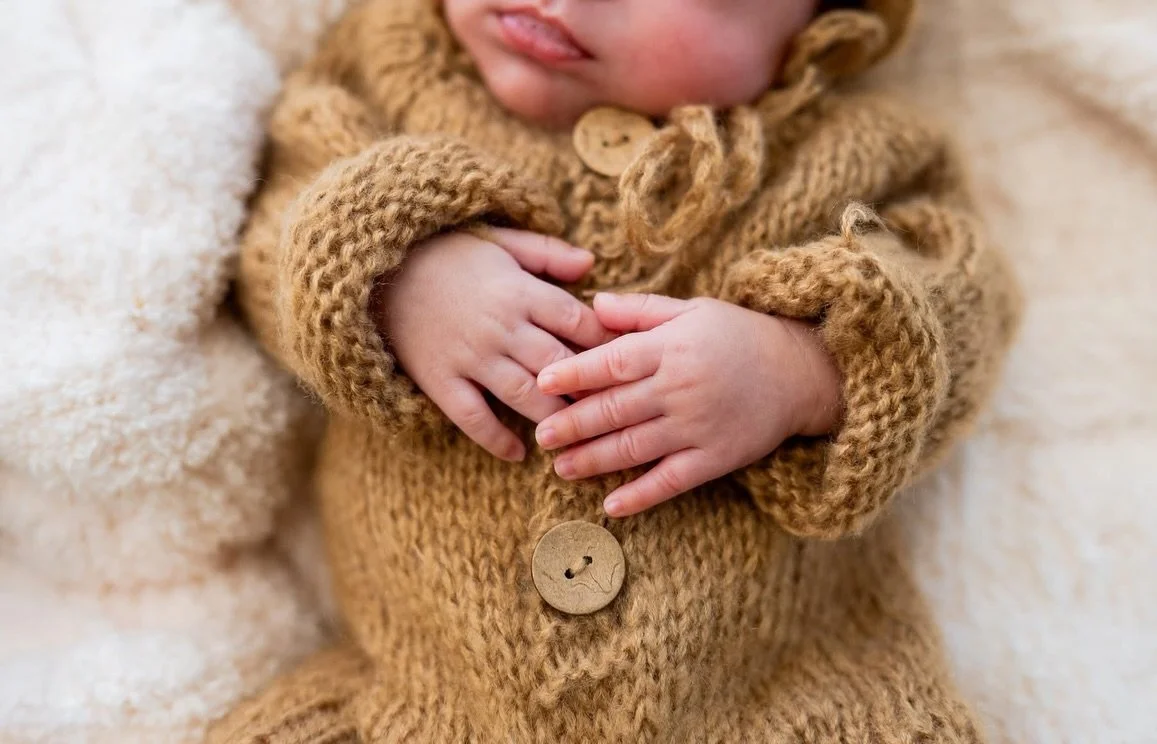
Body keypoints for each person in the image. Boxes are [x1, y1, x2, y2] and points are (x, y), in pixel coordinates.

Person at [210, 0, 1021, 739]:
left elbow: (959, 305)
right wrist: (397, 280)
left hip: (786, 705)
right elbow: (275, 219)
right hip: (420, 704)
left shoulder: (850, 155)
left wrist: (797, 371)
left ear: (821, 23)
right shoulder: (388, 70)